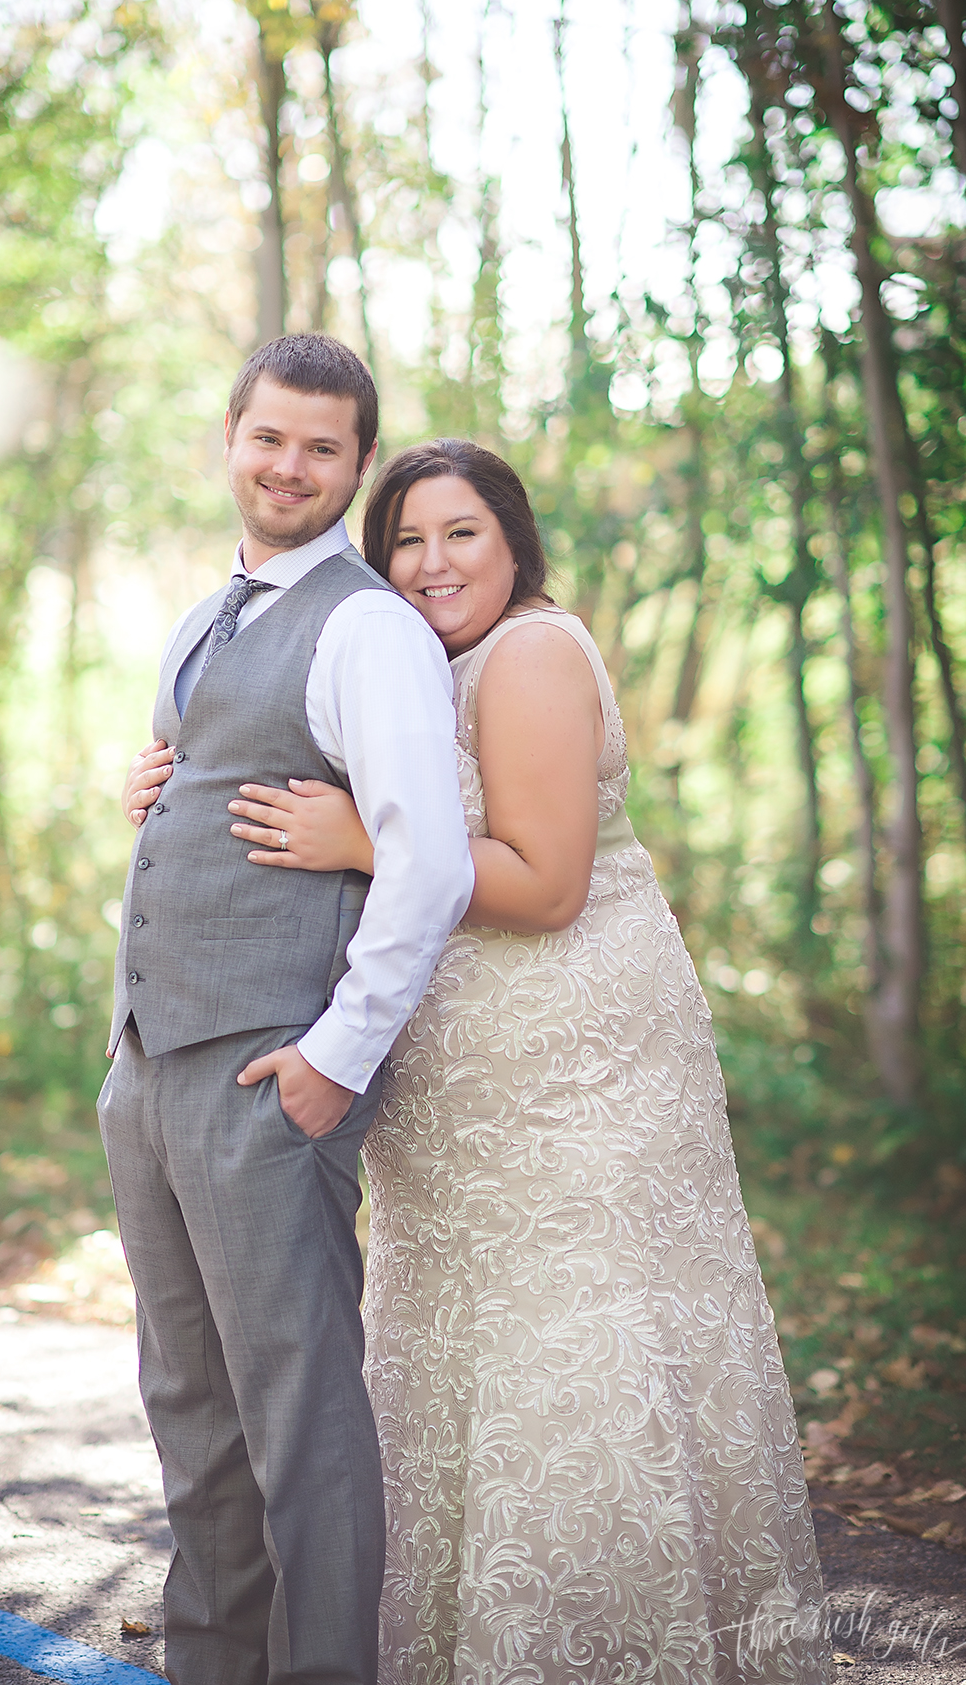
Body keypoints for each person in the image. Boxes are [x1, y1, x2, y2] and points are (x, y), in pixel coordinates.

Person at [211, 439, 831, 1683]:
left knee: (577, 1358)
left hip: (573, 1076)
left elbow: (547, 886)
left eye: (462, 535)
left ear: (515, 543)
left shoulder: (533, 653)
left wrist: (359, 842)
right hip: (461, 1090)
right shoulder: (418, 663)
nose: (431, 564)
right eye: (406, 541)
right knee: (466, 1362)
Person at [106, 339, 474, 1685]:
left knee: (301, 1422)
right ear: (231, 435)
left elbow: (425, 857)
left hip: (269, 1073)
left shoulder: (369, 624)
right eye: (271, 437)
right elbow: (193, 829)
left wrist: (336, 1057)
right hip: (149, 1067)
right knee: (193, 1416)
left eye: (323, 447)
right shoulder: (210, 617)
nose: (290, 466)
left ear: (355, 465)